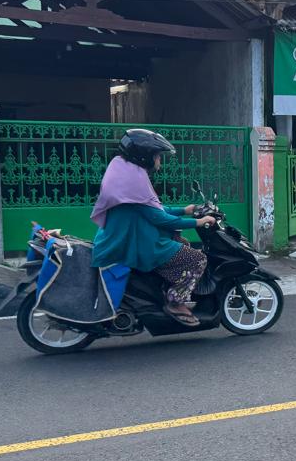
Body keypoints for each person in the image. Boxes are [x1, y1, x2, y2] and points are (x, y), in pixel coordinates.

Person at [90, 129, 218, 327]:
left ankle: (161, 291)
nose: (159, 161)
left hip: (132, 237)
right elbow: (161, 219)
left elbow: (152, 209)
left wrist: (184, 210)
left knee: (182, 243)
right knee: (198, 259)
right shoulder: (133, 182)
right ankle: (176, 302)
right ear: (145, 156)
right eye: (157, 156)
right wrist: (198, 222)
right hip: (138, 244)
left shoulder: (126, 174)